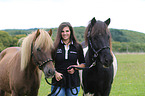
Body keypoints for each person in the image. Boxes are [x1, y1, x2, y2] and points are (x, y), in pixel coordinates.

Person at [51, 22, 85, 96]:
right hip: (58, 80)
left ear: (71, 32)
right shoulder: (55, 46)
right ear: (59, 33)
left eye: (67, 31)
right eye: (62, 31)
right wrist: (55, 73)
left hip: (73, 81)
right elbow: (50, 63)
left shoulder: (77, 46)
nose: (64, 33)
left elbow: (83, 64)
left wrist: (75, 68)